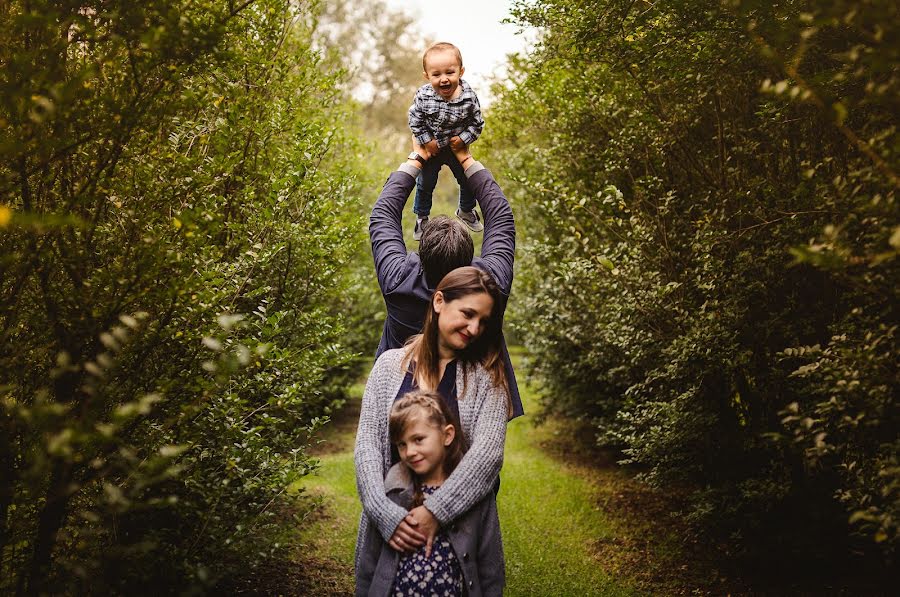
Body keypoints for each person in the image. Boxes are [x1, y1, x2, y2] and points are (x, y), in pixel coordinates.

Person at [354, 267, 510, 596]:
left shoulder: (487, 379)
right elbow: (368, 447)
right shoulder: (388, 367)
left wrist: (436, 512)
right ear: (439, 301)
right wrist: (385, 515)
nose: (473, 328)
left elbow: (488, 456)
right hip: (390, 529)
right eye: (468, 314)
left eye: (482, 321)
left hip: (462, 534)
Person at [370, 140, 524, 419]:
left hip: (404, 399)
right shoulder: (490, 285)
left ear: (421, 254)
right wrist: (465, 159)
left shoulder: (398, 281)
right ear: (469, 260)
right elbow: (500, 218)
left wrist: (417, 159)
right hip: (475, 402)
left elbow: (383, 215)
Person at [355, 391, 504, 596]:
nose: (410, 452)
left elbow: (490, 567)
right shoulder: (392, 489)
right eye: (402, 444)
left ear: (447, 435)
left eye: (418, 439)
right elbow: (368, 564)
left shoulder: (474, 494)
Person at [408, 41, 485, 241]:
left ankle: (466, 210)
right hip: (431, 147)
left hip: (454, 147)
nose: (444, 79)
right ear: (427, 76)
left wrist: (463, 139)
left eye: (450, 72)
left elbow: (477, 124)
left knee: (468, 179)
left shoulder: (469, 97)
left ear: (461, 72)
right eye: (436, 75)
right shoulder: (423, 96)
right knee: (425, 183)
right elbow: (414, 120)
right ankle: (422, 217)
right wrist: (427, 141)